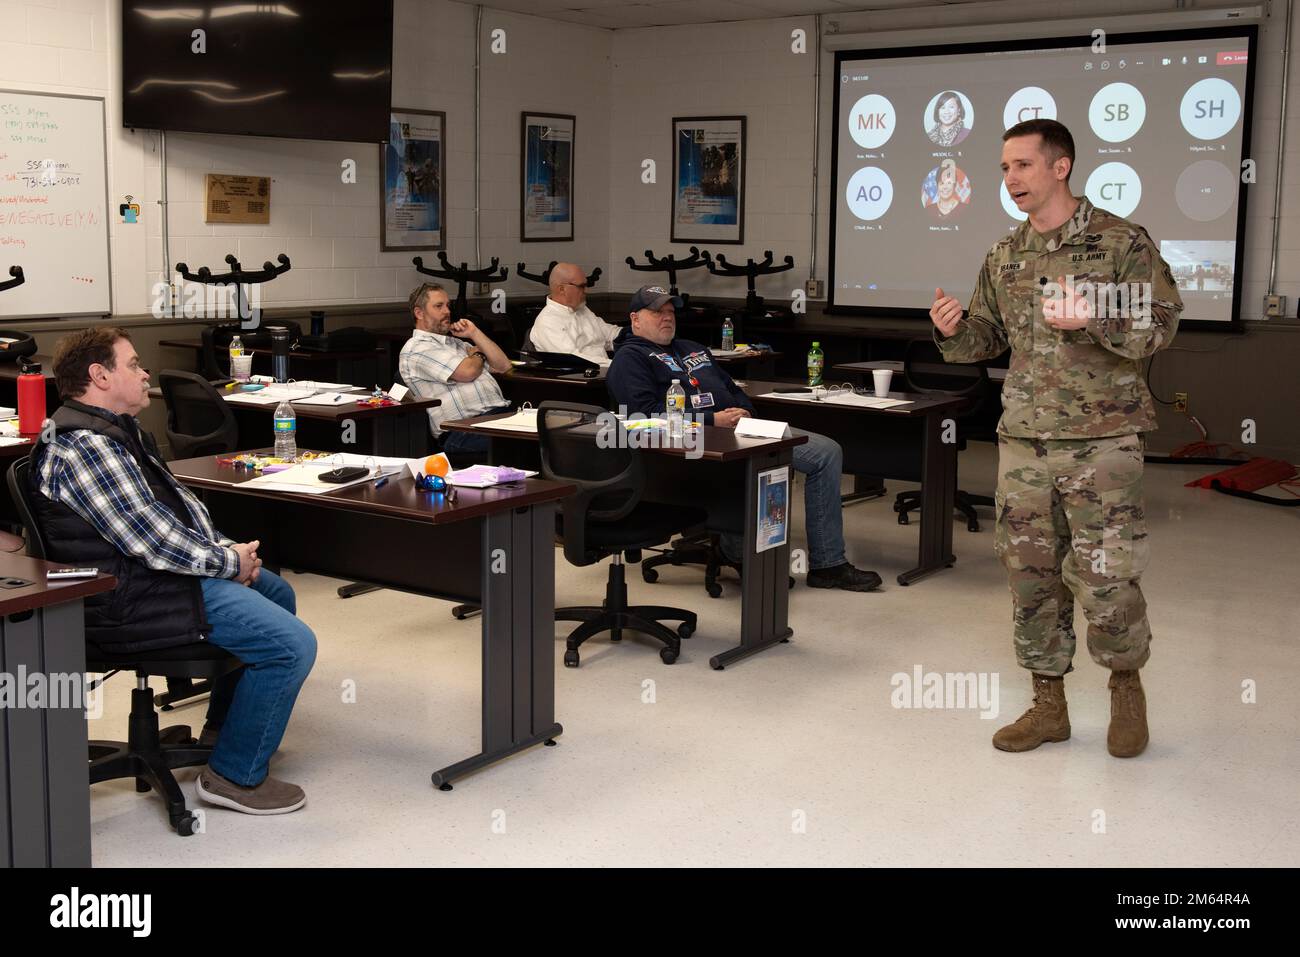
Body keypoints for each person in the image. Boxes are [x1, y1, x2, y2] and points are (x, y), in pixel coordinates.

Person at [929, 118, 1182, 758]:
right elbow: (987, 338)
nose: (1010, 179)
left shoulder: (1120, 242)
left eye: (1022, 166)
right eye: (1005, 169)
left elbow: (1159, 326)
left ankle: (1126, 688)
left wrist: (1092, 315)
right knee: (1031, 576)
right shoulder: (1005, 254)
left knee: (1106, 575)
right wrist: (954, 329)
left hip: (1103, 443)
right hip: (1024, 441)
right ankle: (1048, 706)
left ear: (1060, 167)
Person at [32, 327, 316, 813]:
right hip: (128, 599)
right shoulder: (87, 445)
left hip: (150, 578)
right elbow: (152, 540)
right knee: (293, 646)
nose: (145, 374)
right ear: (99, 376)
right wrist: (229, 563)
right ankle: (234, 776)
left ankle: (225, 732)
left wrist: (230, 553)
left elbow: (176, 512)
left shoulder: (119, 430)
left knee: (275, 593)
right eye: (134, 365)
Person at [607, 286, 882, 592]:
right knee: (758, 467)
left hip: (738, 430)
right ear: (635, 319)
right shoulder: (630, 359)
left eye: (671, 312)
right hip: (693, 444)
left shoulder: (692, 348)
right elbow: (644, 418)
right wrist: (713, 420)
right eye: (657, 312)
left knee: (826, 452)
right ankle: (739, 551)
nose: (667, 318)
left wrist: (745, 411)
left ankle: (828, 565)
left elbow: (733, 388)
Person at [398, 282, 513, 465]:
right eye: (438, 306)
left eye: (447, 306)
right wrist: (478, 353)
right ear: (419, 313)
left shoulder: (457, 343)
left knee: (551, 432)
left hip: (498, 418)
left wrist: (474, 333)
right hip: (462, 430)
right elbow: (468, 372)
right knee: (531, 442)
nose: (447, 311)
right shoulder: (416, 348)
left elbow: (504, 366)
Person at [528, 262, 621, 368]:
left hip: (606, 373)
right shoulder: (548, 321)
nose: (586, 290)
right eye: (581, 286)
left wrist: (638, 336)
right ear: (562, 289)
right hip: (581, 379)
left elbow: (611, 335)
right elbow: (574, 360)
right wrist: (617, 365)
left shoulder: (582, 310)